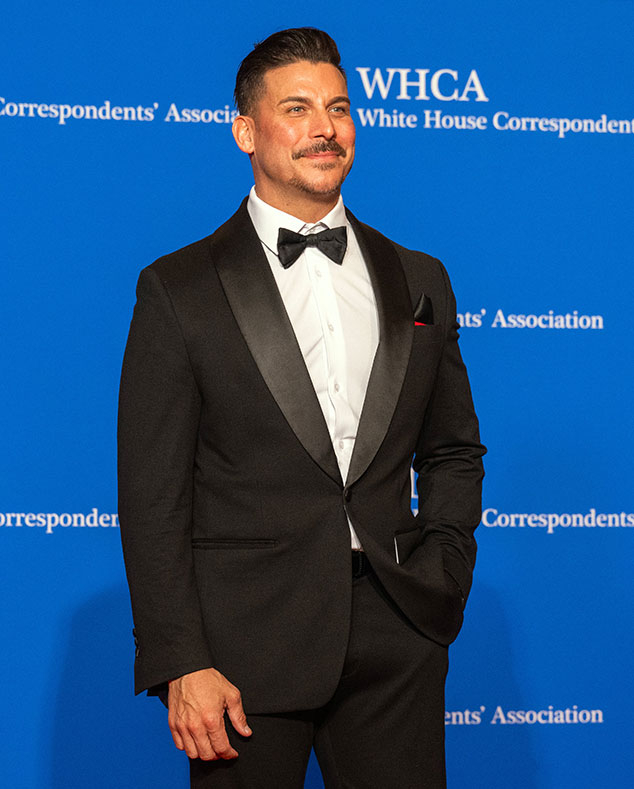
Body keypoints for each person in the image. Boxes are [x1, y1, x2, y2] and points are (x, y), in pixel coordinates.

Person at [118, 27, 486, 789]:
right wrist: (181, 657)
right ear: (246, 131)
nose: (326, 127)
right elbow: (153, 495)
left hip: (398, 634)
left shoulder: (418, 276)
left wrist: (441, 569)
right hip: (240, 653)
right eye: (298, 108)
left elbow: (451, 448)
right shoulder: (179, 287)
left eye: (339, 107)